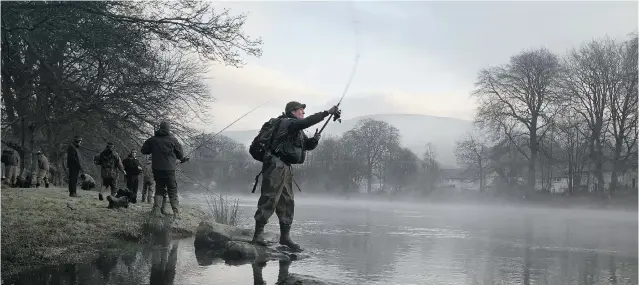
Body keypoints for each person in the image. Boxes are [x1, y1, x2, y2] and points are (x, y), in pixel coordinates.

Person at [251, 101, 340, 252]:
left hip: (286, 167)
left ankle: (285, 237)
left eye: (303, 112)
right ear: (293, 112)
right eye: (301, 111)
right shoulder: (287, 123)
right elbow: (306, 122)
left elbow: (306, 146)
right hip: (275, 165)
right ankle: (258, 236)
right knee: (270, 198)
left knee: (287, 201)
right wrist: (326, 113)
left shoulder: (297, 130)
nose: (303, 114)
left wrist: (315, 141)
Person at [141, 121, 189, 217]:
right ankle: (176, 213)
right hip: (169, 169)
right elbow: (180, 155)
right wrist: (183, 160)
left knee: (159, 188)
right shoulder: (173, 140)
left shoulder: (153, 139)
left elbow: (143, 150)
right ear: (168, 128)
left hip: (157, 168)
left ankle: (157, 211)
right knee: (172, 189)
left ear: (160, 128)